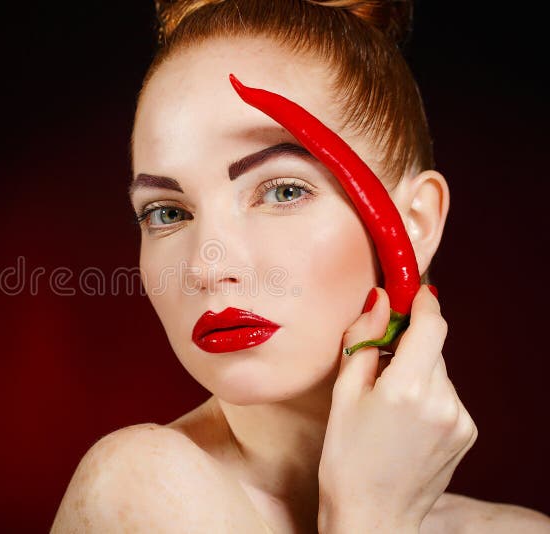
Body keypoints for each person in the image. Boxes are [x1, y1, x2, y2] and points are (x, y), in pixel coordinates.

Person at [51, 1, 550, 532]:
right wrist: (368, 517)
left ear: (416, 222)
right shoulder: (139, 488)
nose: (207, 266)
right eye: (167, 212)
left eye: (283, 190)